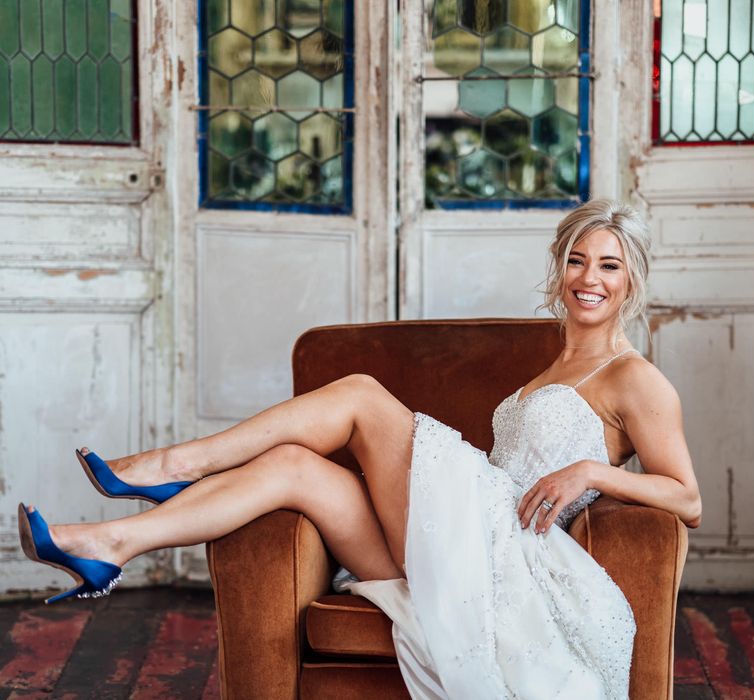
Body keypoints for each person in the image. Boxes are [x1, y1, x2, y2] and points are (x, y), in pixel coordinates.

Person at [18, 199, 701, 699]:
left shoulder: (635, 379)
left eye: (609, 265)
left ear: (630, 281)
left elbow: (687, 498)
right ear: (559, 269)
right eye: (578, 260)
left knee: (362, 396)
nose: (591, 277)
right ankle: (110, 547)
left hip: (512, 549)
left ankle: (177, 464)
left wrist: (592, 472)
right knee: (293, 469)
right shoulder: (550, 371)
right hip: (461, 540)